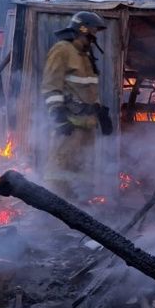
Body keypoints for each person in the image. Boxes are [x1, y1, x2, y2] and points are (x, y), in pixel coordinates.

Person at [41, 11, 113, 201]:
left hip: (87, 126)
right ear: (84, 29)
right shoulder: (62, 50)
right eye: (94, 31)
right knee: (59, 171)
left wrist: (100, 112)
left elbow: (87, 89)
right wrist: (58, 118)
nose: (95, 36)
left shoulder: (85, 55)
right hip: (69, 127)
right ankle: (50, 212)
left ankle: (77, 209)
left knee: (82, 172)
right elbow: (51, 86)